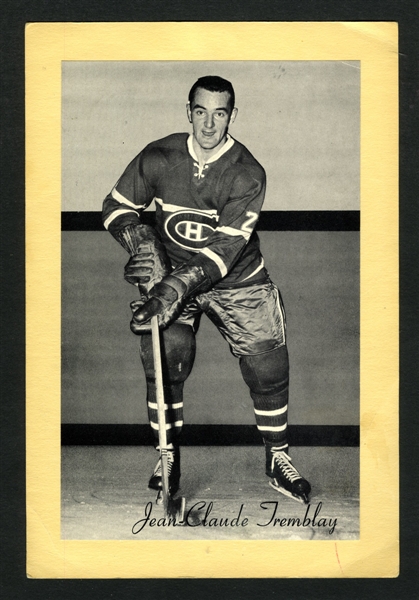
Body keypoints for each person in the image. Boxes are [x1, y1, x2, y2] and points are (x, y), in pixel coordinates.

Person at [102, 75, 311, 504]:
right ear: (189, 112)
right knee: (166, 356)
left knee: (268, 368)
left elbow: (223, 251)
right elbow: (116, 207)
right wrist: (141, 242)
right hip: (171, 273)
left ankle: (277, 456)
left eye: (219, 114)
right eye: (201, 112)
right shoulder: (159, 156)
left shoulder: (247, 173)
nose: (209, 125)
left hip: (236, 277)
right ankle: (167, 454)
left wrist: (172, 288)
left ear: (232, 116)